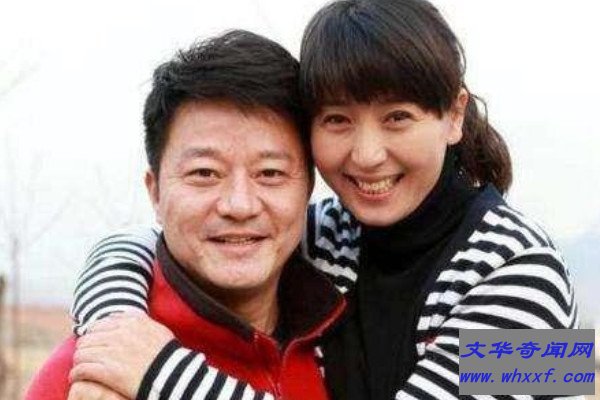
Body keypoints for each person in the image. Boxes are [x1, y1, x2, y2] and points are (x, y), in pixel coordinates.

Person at [65, 0, 580, 399]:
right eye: (337, 119)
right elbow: (138, 245)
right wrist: (115, 332)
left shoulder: (529, 273)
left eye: (397, 117)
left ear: (454, 115)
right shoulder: (329, 234)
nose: (367, 154)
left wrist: (160, 374)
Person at [25, 30, 347, 400]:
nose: (239, 205)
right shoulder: (92, 378)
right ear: (155, 192)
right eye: (205, 173)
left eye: (270, 173)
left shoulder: (345, 342)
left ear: (308, 189)